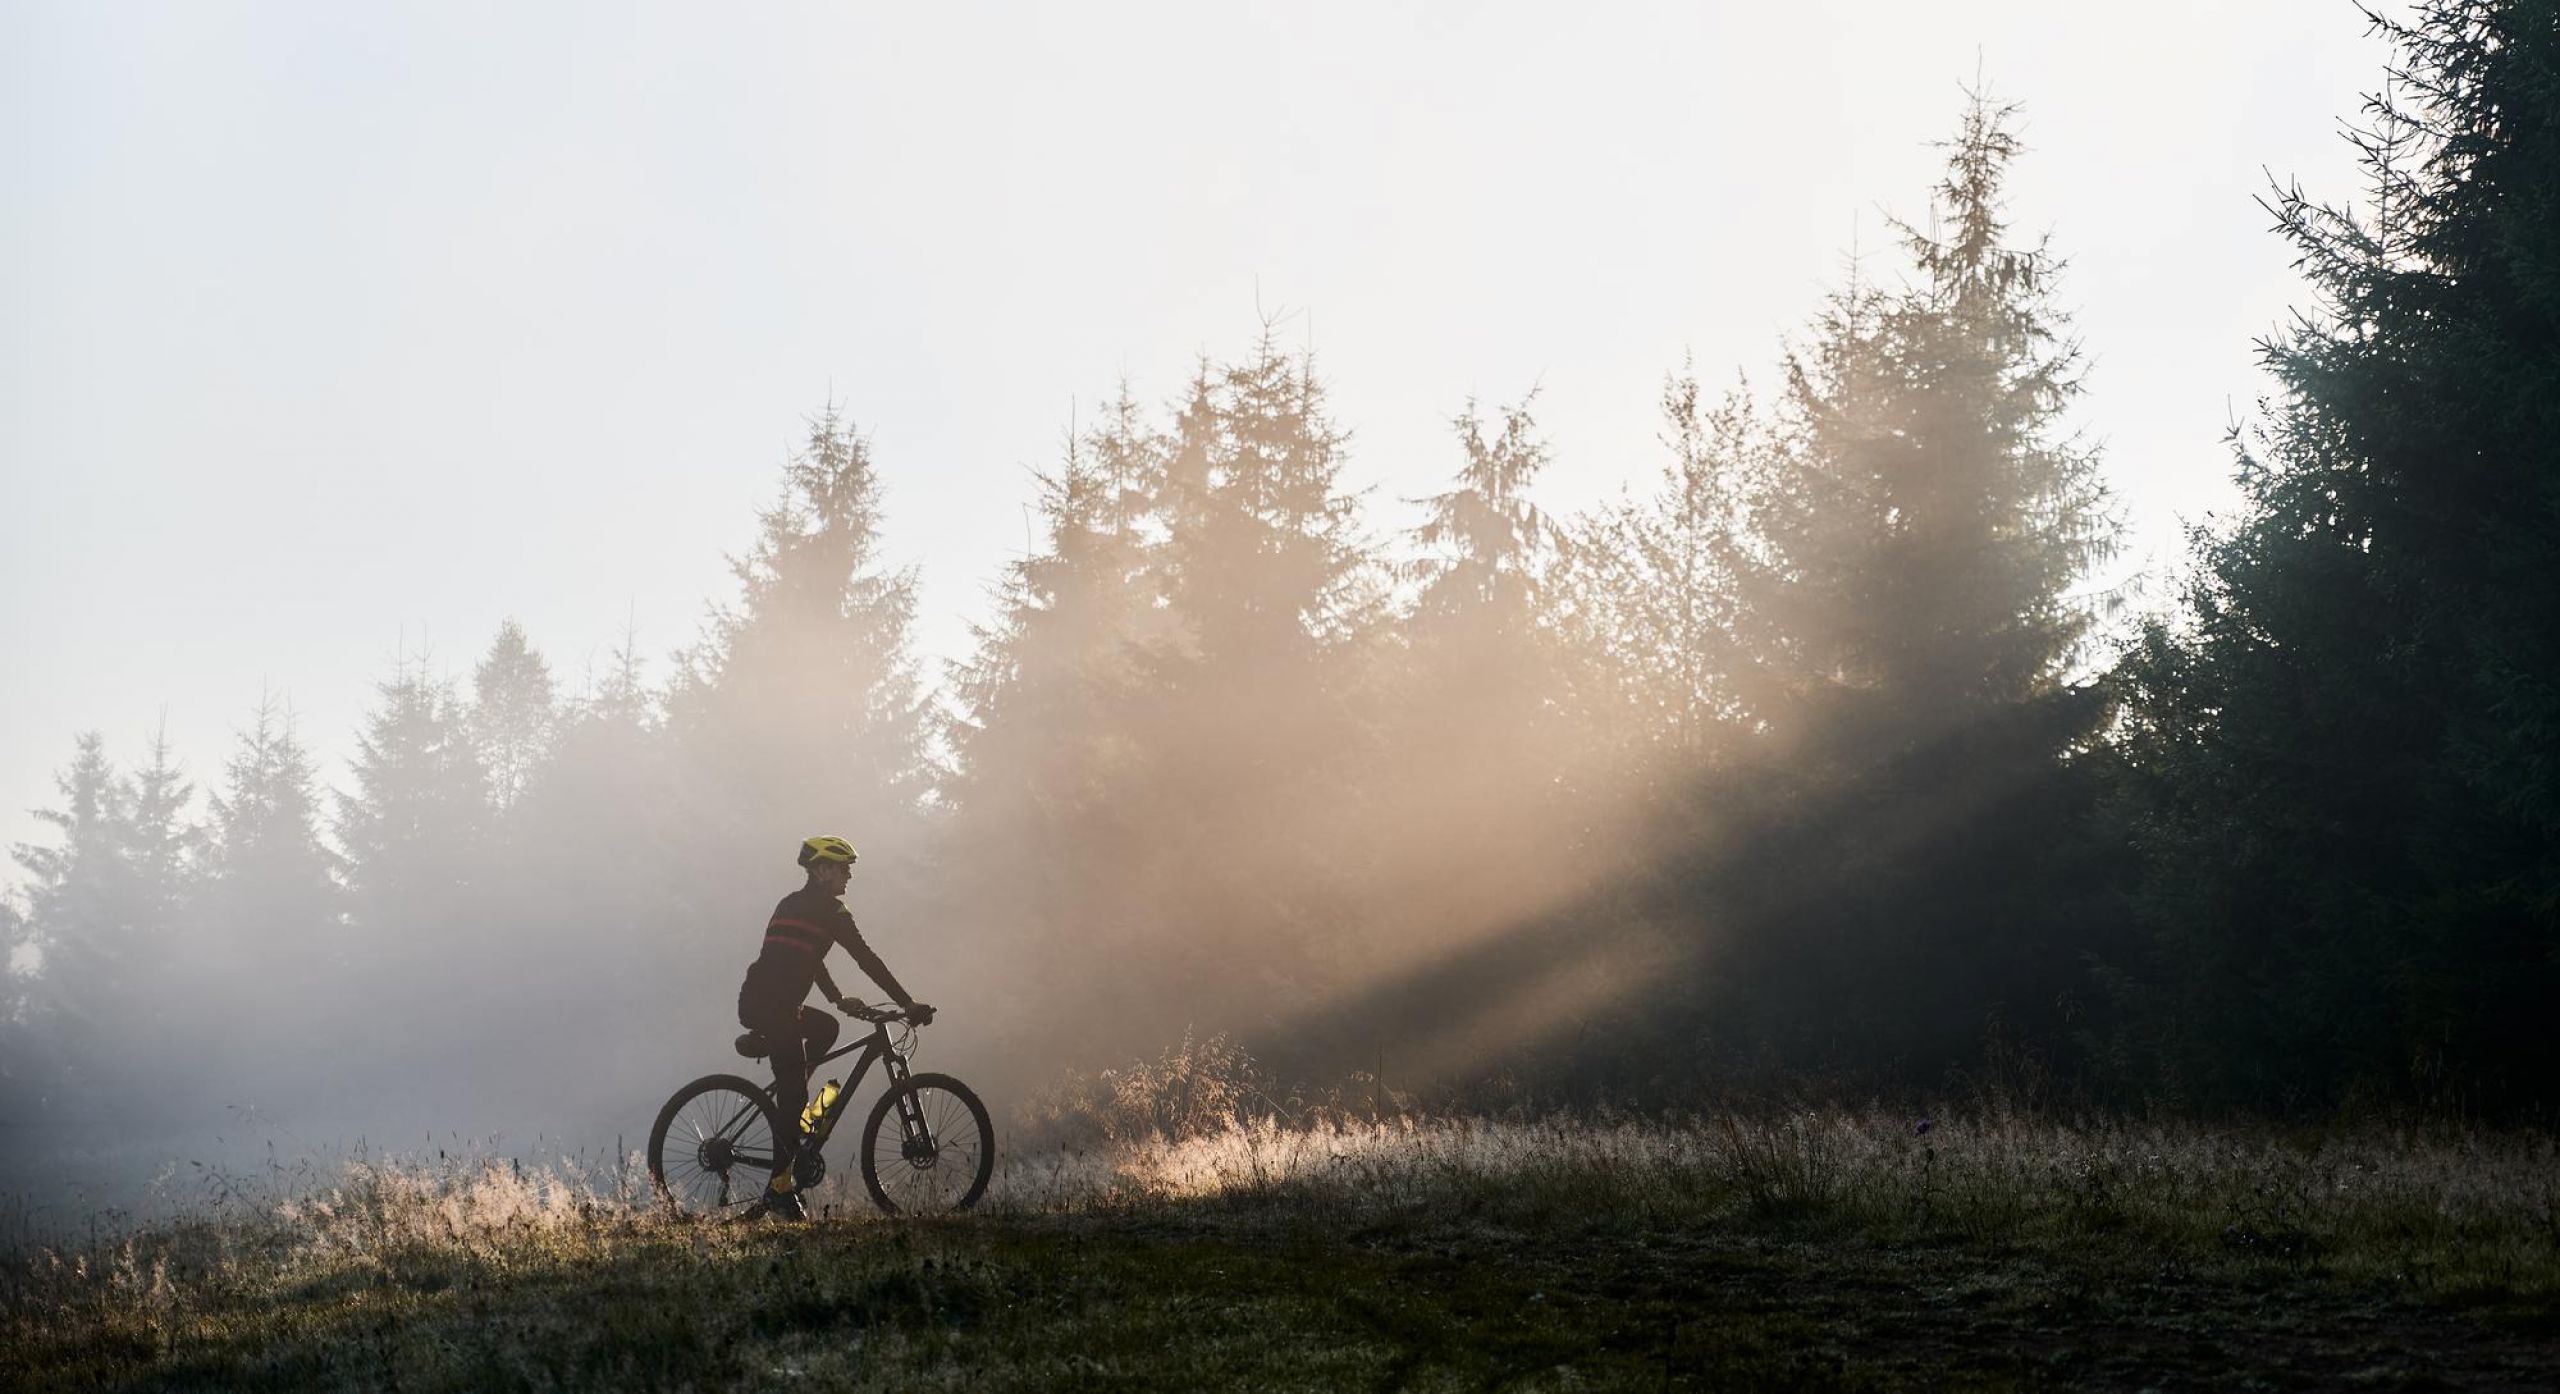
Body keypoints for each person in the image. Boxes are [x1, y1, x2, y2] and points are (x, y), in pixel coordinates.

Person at [738, 834, 933, 1218]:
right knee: (793, 1100)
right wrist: (906, 1002)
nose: (848, 876)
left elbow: (808, 957)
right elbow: (866, 959)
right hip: (777, 1011)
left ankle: (798, 1097)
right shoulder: (831, 912)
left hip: (759, 1001)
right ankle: (779, 1189)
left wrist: (837, 999)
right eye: (843, 868)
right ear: (822, 870)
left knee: (827, 1028)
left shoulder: (791, 904)